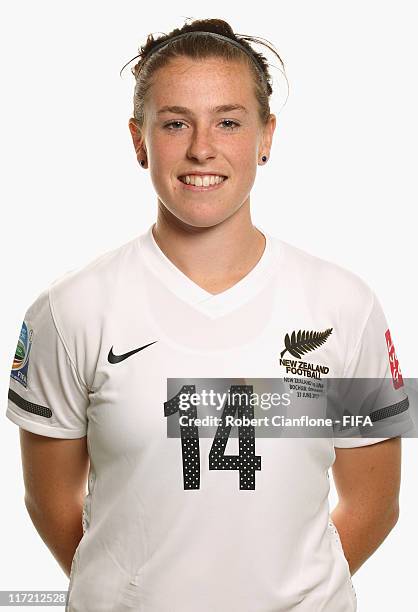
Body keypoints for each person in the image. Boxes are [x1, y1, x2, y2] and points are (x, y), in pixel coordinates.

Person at [6, 17, 413, 612]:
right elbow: (48, 501)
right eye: (175, 123)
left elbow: (378, 502)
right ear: (138, 139)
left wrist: (290, 593)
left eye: (228, 121)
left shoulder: (345, 304)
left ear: (266, 135)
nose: (202, 148)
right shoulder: (69, 310)